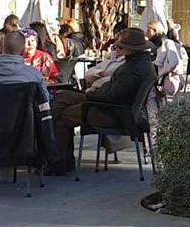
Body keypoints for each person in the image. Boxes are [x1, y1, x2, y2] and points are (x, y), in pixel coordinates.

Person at [49, 29, 157, 176]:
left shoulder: (133, 69)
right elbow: (114, 90)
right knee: (62, 97)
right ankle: (56, 154)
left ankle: (56, 159)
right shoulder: (139, 64)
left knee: (62, 115)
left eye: (120, 47)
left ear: (130, 49)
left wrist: (93, 93)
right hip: (114, 108)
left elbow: (114, 95)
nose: (116, 49)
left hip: (112, 112)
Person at [0, 30, 51, 184]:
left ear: (1, 47)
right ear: (22, 50)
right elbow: (44, 102)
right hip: (23, 130)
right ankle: (36, 165)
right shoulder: (33, 76)